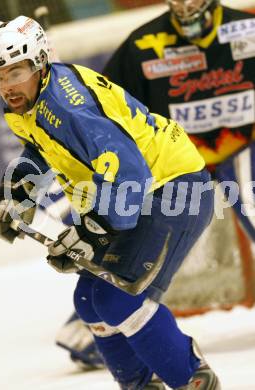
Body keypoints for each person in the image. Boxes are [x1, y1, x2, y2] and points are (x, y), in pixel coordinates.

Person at [0, 15, 219, 389]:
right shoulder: (32, 102)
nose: (7, 86)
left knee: (117, 300)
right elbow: (43, 147)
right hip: (140, 196)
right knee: (91, 301)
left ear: (40, 63)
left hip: (173, 189)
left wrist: (93, 230)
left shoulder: (66, 104)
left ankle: (193, 380)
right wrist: (18, 192)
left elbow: (130, 173)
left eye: (16, 72)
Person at [58, 0, 255, 371]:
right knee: (137, 243)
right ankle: (95, 324)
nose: (184, 5)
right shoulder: (143, 45)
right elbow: (101, 109)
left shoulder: (247, 31)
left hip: (244, 146)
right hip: (172, 163)